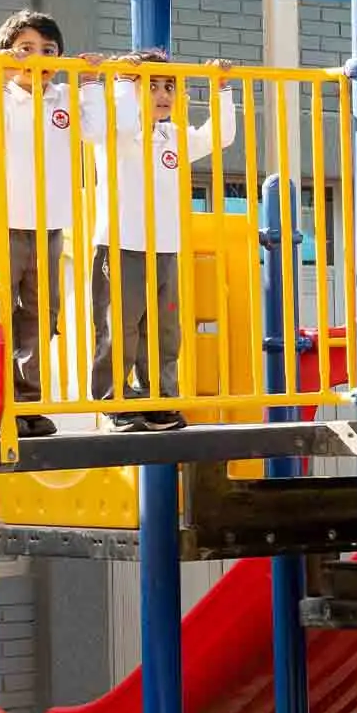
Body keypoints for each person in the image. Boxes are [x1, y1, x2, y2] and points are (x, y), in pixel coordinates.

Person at [0, 10, 115, 438]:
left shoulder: (63, 97)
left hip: (48, 225)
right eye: (25, 49)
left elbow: (95, 130)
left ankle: (26, 402)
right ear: (7, 58)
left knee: (40, 314)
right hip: (1, 223)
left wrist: (89, 84)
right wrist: (0, 74)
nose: (37, 58)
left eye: (48, 50)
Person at [91, 50, 237, 432]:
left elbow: (219, 137)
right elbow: (121, 124)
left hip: (164, 247)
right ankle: (115, 401)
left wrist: (220, 89)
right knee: (120, 326)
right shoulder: (115, 131)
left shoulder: (172, 136)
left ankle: (161, 398)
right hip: (122, 245)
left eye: (168, 85)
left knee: (164, 329)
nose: (162, 94)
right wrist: (123, 80)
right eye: (151, 85)